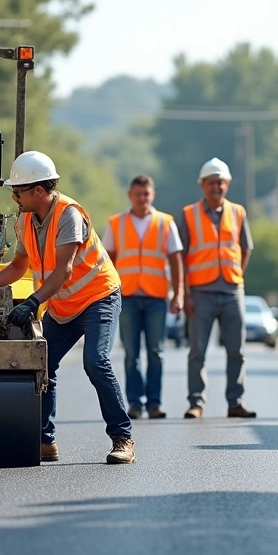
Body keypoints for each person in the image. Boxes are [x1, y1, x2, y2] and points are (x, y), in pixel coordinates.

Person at [0, 151, 134, 465]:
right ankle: (45, 441)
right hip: (63, 304)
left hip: (98, 298)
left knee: (96, 362)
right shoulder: (25, 220)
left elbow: (64, 271)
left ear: (39, 190)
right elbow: (18, 266)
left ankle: (123, 438)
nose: (14, 197)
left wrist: (33, 302)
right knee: (42, 364)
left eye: (18, 191)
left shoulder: (69, 215)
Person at [178, 158, 256, 419]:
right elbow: (181, 257)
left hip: (232, 290)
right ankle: (196, 403)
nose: (216, 187)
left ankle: (236, 402)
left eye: (220, 182)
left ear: (228, 184)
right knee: (197, 351)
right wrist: (186, 293)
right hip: (200, 293)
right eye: (211, 182)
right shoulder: (189, 214)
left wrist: (236, 275)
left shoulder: (238, 212)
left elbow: (245, 248)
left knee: (237, 351)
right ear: (202, 184)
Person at [104, 174, 184, 419]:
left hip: (156, 297)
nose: (142, 198)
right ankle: (135, 404)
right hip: (126, 297)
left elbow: (176, 261)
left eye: (146, 194)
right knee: (131, 355)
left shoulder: (166, 223)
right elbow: (106, 261)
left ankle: (154, 404)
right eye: (138, 194)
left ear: (153, 194)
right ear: (130, 195)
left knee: (156, 353)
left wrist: (179, 294)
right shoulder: (116, 223)